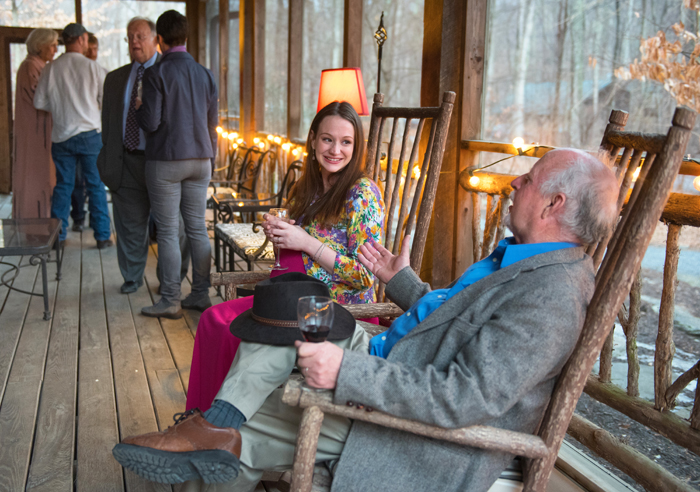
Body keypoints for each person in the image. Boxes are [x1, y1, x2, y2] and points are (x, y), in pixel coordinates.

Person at [113, 148, 620, 492]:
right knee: (288, 307)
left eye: (528, 179)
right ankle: (216, 426)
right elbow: (457, 324)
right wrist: (403, 285)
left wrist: (346, 372)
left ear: (553, 203)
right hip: (391, 357)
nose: (515, 181)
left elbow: (464, 398)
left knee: (246, 430)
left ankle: (216, 429)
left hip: (416, 430)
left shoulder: (551, 296)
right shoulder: (523, 257)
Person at [185, 101, 385, 412]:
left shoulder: (362, 193)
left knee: (226, 328)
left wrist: (305, 242)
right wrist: (279, 234)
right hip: (293, 294)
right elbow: (295, 247)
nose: (335, 150)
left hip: (331, 308)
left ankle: (221, 420)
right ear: (313, 139)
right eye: (327, 139)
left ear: (356, 146)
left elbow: (364, 276)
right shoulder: (310, 186)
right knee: (212, 319)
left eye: (346, 142)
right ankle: (201, 418)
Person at [96, 17, 189, 294]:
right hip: (126, 161)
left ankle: (171, 279)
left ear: (156, 39)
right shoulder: (115, 79)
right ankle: (132, 276)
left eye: (140, 36)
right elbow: (109, 123)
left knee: (173, 227)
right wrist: (107, 156)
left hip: (163, 163)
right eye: (130, 37)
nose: (134, 42)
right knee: (128, 225)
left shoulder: (171, 72)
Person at [135, 10, 217, 318]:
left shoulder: (156, 74)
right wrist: (210, 159)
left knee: (169, 232)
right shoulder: (206, 74)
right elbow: (212, 124)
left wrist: (139, 107)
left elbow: (151, 122)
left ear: (159, 39)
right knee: (197, 229)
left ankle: (170, 299)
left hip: (166, 160)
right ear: (185, 37)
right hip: (201, 159)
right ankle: (200, 294)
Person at [34, 23, 112, 248]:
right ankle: (102, 237)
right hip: (90, 135)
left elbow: (38, 102)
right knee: (96, 185)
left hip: (62, 135)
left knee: (63, 186)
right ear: (81, 39)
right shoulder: (93, 68)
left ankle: (58, 238)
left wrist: (60, 108)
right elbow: (105, 101)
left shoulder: (51, 68)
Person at [12, 28, 58, 220]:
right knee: (35, 177)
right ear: (40, 46)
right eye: (52, 45)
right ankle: (34, 223)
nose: (55, 50)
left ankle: (44, 221)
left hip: (42, 131)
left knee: (44, 176)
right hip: (35, 133)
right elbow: (40, 97)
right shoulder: (30, 66)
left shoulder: (40, 66)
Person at [71, 32, 108, 232]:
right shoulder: (72, 72)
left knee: (95, 181)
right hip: (75, 130)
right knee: (77, 180)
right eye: (90, 49)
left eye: (96, 49)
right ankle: (78, 216)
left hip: (95, 131)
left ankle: (98, 224)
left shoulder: (100, 71)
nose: (93, 53)